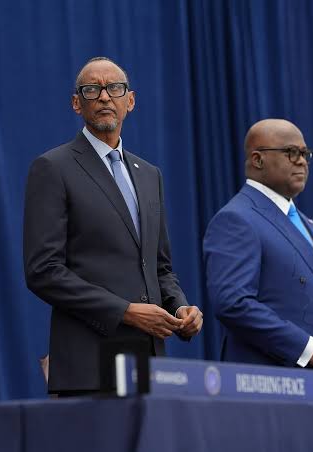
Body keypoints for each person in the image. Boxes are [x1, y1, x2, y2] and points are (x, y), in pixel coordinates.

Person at [24, 57, 203, 395]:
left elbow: (159, 267)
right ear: (77, 103)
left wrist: (179, 306)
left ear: (130, 101)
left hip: (150, 364)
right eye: (92, 89)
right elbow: (43, 272)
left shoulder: (149, 174)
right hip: (90, 364)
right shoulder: (53, 167)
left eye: (115, 88)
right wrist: (125, 312)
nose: (105, 96)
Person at [203, 119, 313, 372]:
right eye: (291, 152)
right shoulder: (236, 219)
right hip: (267, 379)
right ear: (258, 159)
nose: (301, 161)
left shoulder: (304, 221)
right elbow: (233, 303)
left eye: (305, 154)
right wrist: (309, 349)